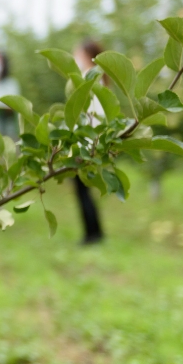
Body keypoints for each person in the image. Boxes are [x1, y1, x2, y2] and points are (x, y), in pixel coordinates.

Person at [71, 38, 106, 244]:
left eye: (77, 54)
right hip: (90, 142)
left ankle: (92, 234)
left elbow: (89, 116)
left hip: (85, 143)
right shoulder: (99, 77)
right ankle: (94, 232)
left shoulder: (89, 78)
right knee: (84, 190)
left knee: (82, 190)